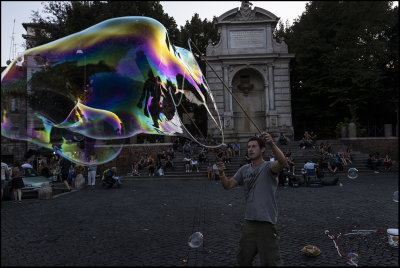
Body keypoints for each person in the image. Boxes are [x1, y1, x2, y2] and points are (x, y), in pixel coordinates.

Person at [216, 132, 287, 266]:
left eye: (254, 146)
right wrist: (221, 173)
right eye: (248, 147)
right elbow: (228, 185)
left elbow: (283, 162)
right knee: (243, 260)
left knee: (271, 262)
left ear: (262, 149)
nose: (250, 149)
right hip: (248, 222)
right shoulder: (244, 169)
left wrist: (272, 143)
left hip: (266, 222)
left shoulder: (268, 167)